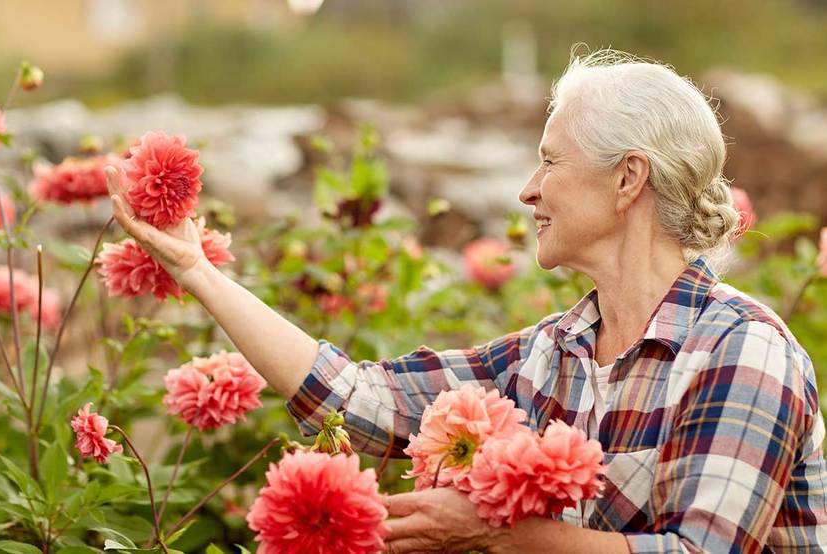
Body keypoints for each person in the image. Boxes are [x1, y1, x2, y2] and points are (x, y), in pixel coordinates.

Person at [105, 49, 827, 553]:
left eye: (549, 160)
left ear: (628, 178)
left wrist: (492, 533)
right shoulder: (554, 353)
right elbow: (357, 401)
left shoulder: (742, 350)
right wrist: (195, 269)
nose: (528, 190)